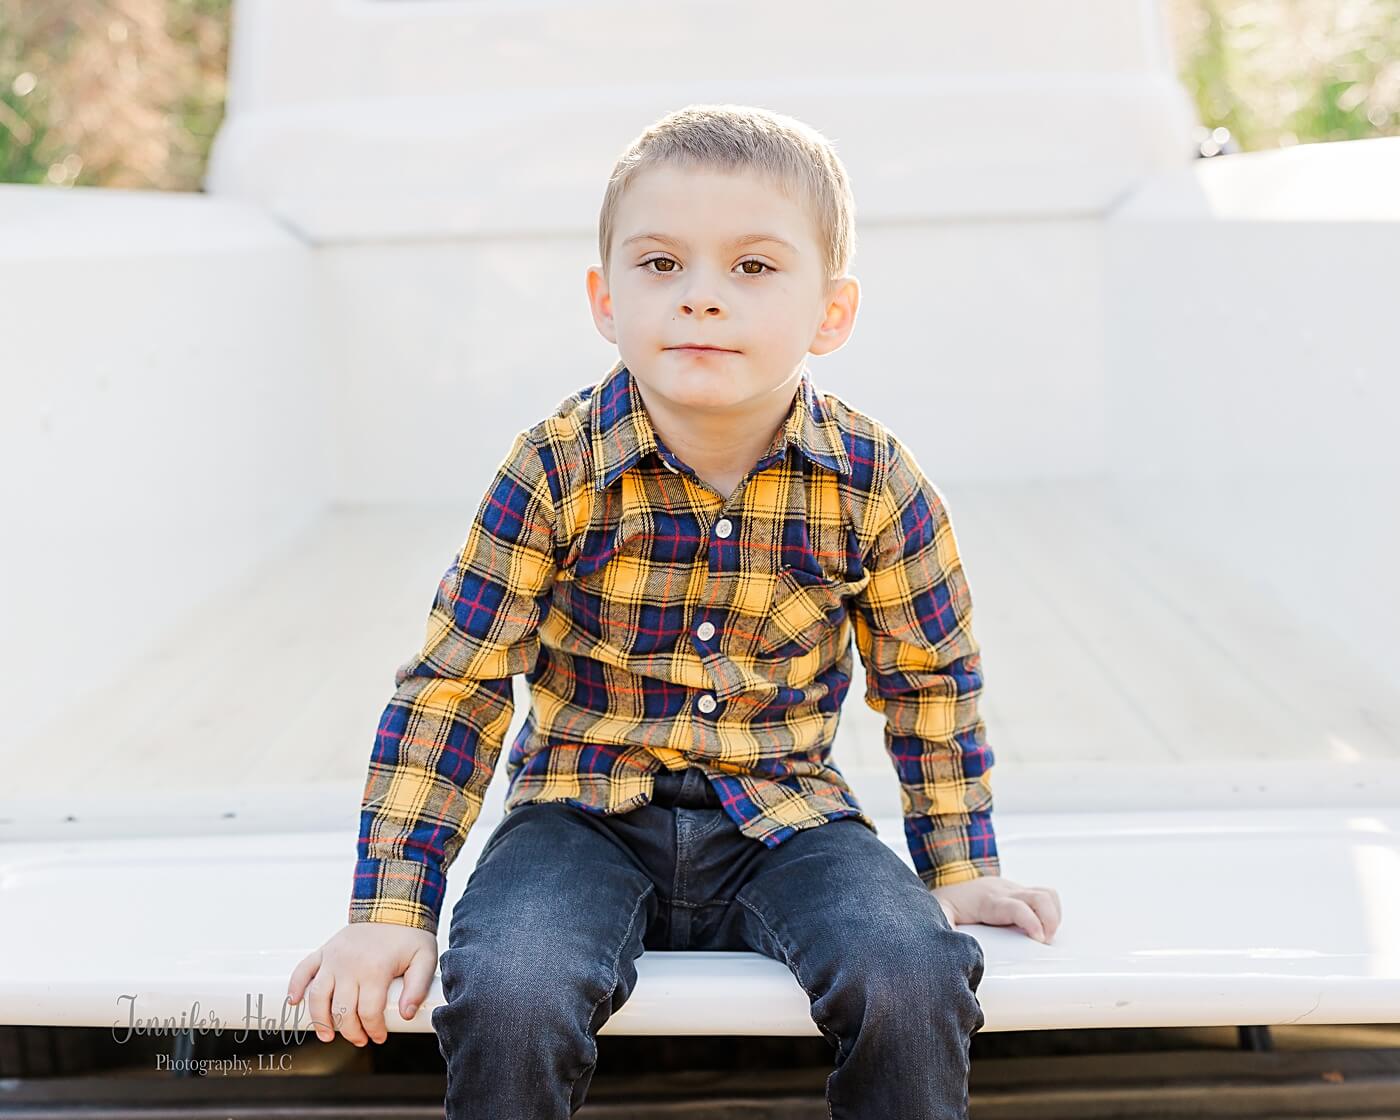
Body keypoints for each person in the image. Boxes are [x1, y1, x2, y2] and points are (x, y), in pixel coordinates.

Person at [286, 102, 1061, 1118]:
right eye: (660, 265)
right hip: (579, 817)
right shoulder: (554, 466)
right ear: (605, 298)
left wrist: (957, 868)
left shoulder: (875, 481)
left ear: (830, 312)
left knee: (910, 973)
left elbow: (929, 680)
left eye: (752, 267)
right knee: (511, 989)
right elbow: (456, 685)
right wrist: (391, 910)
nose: (700, 298)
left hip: (784, 819)